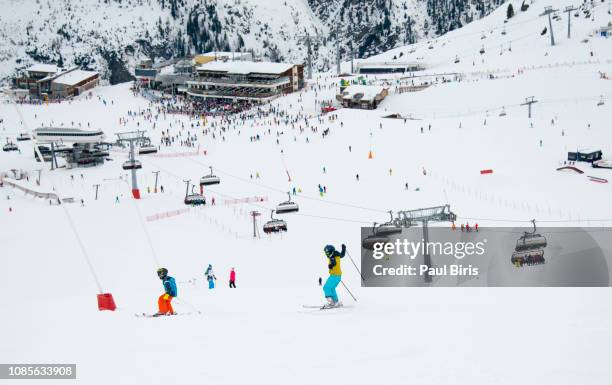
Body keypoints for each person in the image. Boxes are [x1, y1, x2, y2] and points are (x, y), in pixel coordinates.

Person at [322, 244, 346, 308]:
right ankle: (336, 302)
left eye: (326, 252)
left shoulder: (332, 256)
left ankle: (331, 303)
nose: (326, 253)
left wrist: (331, 265)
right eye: (325, 252)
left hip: (334, 275)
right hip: (337, 275)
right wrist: (344, 248)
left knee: (326, 287)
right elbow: (342, 255)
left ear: (330, 251)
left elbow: (333, 262)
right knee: (332, 288)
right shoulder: (336, 255)